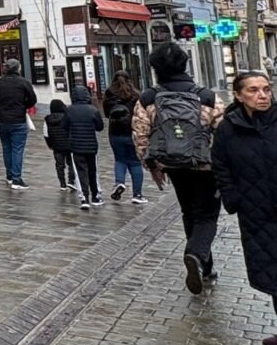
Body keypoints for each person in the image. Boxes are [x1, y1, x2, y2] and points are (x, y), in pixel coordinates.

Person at [133, 42, 225, 294]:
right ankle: (196, 255)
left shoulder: (148, 98)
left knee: (189, 212)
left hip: (172, 164)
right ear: (185, 64)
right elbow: (223, 131)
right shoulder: (206, 96)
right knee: (207, 215)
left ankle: (204, 265)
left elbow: (140, 134)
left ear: (155, 68)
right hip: (205, 166)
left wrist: (151, 164)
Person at [212, 70, 277, 345]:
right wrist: (234, 198)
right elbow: (220, 165)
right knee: (272, 272)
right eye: (253, 90)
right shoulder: (228, 128)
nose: (262, 95)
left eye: (266, 89)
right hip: (257, 213)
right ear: (238, 95)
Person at [0, 58, 37, 190]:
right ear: (18, 68)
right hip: (18, 119)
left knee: (6, 148)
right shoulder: (24, 82)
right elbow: (32, 99)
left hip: (2, 119)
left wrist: (2, 104)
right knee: (17, 149)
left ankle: (9, 175)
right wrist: (23, 106)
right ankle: (16, 178)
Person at [102, 71, 146, 204]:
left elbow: (106, 114)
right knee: (135, 162)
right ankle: (137, 194)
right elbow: (141, 113)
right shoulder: (135, 94)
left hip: (115, 133)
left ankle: (119, 183)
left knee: (120, 160)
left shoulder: (109, 95)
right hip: (132, 132)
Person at [62, 85, 104, 210]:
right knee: (93, 171)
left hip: (76, 146)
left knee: (80, 171)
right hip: (91, 146)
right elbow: (100, 127)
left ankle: (84, 197)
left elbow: (64, 126)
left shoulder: (69, 110)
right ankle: (96, 196)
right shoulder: (93, 110)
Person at [42, 99, 77, 191]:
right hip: (69, 144)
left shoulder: (47, 119)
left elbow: (46, 134)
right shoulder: (68, 116)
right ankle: (71, 181)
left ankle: (62, 184)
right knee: (71, 163)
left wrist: (50, 144)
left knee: (59, 165)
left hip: (56, 146)